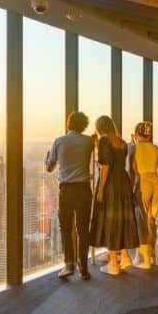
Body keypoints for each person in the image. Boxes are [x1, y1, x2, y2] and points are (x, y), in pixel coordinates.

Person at [45, 111, 95, 280]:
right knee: (83, 229)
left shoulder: (59, 141)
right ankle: (84, 267)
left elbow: (49, 167)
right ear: (84, 125)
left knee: (66, 227)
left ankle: (69, 264)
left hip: (66, 190)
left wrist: (47, 159)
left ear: (68, 124)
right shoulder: (89, 141)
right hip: (84, 189)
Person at [90, 116, 139, 275]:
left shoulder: (104, 140)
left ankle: (113, 264)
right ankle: (124, 257)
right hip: (123, 181)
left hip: (111, 182)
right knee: (121, 218)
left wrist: (101, 189)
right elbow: (118, 162)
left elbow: (105, 166)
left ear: (100, 127)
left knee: (110, 219)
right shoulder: (122, 141)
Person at [130, 121, 158, 269]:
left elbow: (134, 170)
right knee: (151, 221)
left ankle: (143, 258)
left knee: (141, 222)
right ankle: (153, 253)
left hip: (143, 183)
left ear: (137, 135)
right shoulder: (156, 149)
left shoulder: (135, 149)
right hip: (157, 184)